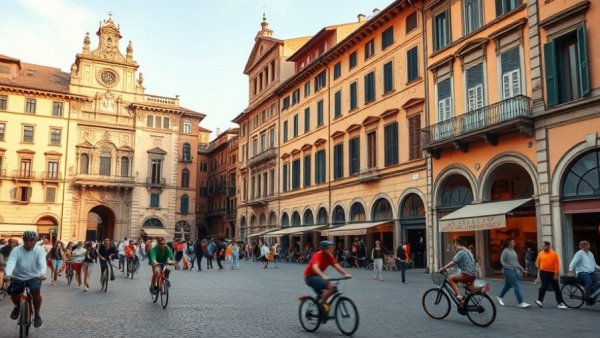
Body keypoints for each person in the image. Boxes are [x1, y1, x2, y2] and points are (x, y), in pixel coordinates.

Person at [3, 231, 46, 328]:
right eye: (26, 240)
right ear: (23, 240)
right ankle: (18, 306)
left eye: (31, 240)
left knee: (36, 294)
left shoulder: (40, 250)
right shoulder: (16, 250)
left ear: (35, 241)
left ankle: (37, 315)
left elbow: (42, 263)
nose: (29, 242)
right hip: (17, 277)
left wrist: (42, 274)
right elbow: (11, 262)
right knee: (13, 294)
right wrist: (8, 274)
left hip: (34, 276)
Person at [304, 240, 351, 316]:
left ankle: (323, 306)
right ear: (324, 249)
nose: (332, 249)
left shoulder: (329, 256)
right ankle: (322, 307)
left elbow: (336, 265)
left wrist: (345, 273)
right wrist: (323, 275)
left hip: (318, 276)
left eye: (332, 247)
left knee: (331, 289)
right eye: (330, 248)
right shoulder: (318, 255)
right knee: (331, 287)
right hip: (310, 277)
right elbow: (315, 267)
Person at [439, 238, 477, 302]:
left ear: (458, 244)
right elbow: (459, 264)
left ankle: (459, 296)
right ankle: (463, 303)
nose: (455, 245)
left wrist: (443, 268)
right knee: (466, 288)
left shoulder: (461, 252)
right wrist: (449, 269)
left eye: (455, 244)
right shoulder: (468, 251)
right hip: (473, 274)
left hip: (467, 274)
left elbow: (453, 262)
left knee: (450, 279)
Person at [497, 238, 530, 308]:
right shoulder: (505, 251)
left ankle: (500, 297)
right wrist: (507, 266)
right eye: (513, 242)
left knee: (507, 286)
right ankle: (520, 302)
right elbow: (502, 261)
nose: (514, 243)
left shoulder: (513, 251)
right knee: (516, 286)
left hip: (515, 271)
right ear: (509, 243)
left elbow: (516, 262)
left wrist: (522, 269)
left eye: (514, 242)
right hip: (508, 271)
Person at [535, 241, 567, 309]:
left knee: (556, 288)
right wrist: (540, 268)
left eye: (544, 246)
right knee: (543, 286)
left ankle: (560, 303)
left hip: (552, 273)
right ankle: (539, 301)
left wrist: (556, 274)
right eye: (543, 246)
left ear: (548, 246)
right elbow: (537, 263)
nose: (543, 247)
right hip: (543, 272)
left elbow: (556, 265)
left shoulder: (554, 254)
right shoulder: (540, 253)